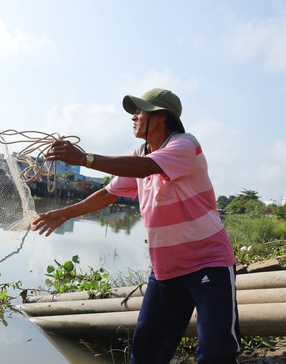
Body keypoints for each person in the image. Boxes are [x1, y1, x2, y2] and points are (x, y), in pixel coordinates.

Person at [32, 88, 240, 364]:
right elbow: (110, 192)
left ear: (162, 117)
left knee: (216, 353)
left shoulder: (183, 145)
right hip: (166, 270)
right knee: (146, 354)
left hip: (208, 263)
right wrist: (65, 213)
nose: (134, 116)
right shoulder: (140, 154)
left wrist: (84, 159)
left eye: (140, 111)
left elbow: (144, 168)